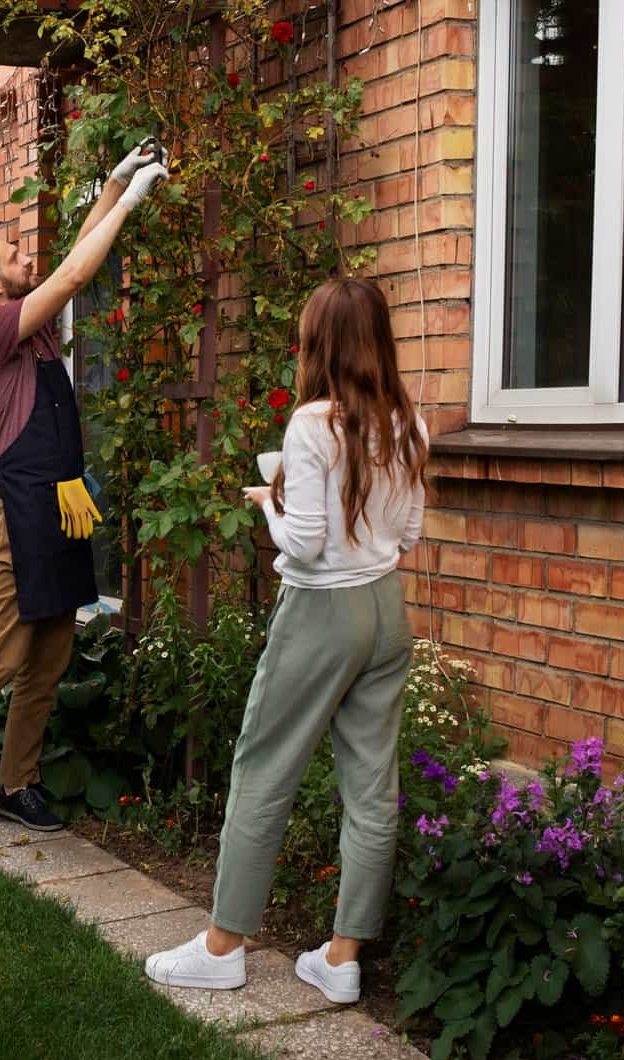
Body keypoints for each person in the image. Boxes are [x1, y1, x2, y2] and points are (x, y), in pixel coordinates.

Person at [144, 277, 428, 1004]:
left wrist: (272, 504)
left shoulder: (311, 425)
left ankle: (223, 945)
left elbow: (302, 546)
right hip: (386, 613)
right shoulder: (408, 422)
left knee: (263, 766)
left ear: (319, 346)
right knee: (372, 787)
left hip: (320, 613)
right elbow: (408, 537)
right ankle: (341, 958)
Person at [0, 139, 169, 836]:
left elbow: (73, 252)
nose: (26, 260)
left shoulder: (32, 328)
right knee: (8, 650)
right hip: (21, 512)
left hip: (62, 503)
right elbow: (76, 274)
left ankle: (20, 781)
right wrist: (132, 205)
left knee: (50, 651)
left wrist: (114, 180)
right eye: (14, 257)